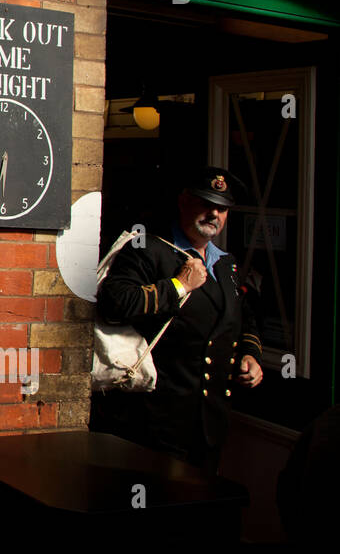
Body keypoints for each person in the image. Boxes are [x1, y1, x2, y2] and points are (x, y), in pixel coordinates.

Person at [90, 166, 263, 474]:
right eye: (205, 203)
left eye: (221, 208)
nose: (214, 214)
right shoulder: (148, 249)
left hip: (209, 425)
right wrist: (179, 284)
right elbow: (114, 303)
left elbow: (242, 320)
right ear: (184, 201)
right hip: (154, 421)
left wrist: (250, 354)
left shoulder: (226, 264)